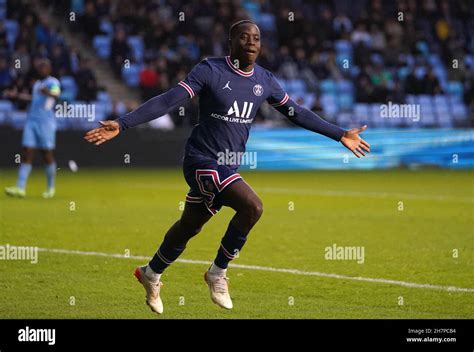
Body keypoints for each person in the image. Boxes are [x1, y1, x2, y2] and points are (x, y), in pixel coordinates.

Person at [84, 20, 370, 313]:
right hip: (200, 161)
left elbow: (296, 113)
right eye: (244, 37)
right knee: (252, 207)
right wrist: (123, 123)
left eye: (256, 38)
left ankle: (151, 272)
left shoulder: (265, 80)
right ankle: (217, 273)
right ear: (230, 42)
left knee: (190, 226)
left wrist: (340, 134)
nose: (251, 42)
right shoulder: (210, 70)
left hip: (228, 168)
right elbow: (171, 99)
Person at [5, 59, 61, 199]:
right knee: (26, 152)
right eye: (40, 67)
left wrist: (47, 91)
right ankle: (20, 188)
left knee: (46, 154)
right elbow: (34, 99)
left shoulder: (52, 82)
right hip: (31, 121)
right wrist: (17, 95)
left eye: (44, 67)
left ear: (49, 69)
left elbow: (55, 94)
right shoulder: (37, 84)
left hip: (46, 122)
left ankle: (50, 187)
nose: (41, 69)